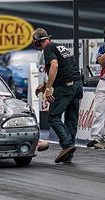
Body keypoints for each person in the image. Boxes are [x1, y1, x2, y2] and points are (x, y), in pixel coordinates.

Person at [33, 28, 83, 163]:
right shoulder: (60, 47)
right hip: (77, 84)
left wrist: (49, 88)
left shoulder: (48, 48)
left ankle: (67, 145)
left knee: (53, 116)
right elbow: (62, 68)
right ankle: (68, 153)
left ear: (38, 42)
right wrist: (44, 85)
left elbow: (54, 66)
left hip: (66, 86)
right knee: (71, 119)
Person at [88, 44, 105, 149]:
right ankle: (96, 138)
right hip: (103, 81)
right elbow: (100, 61)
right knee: (99, 110)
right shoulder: (103, 46)